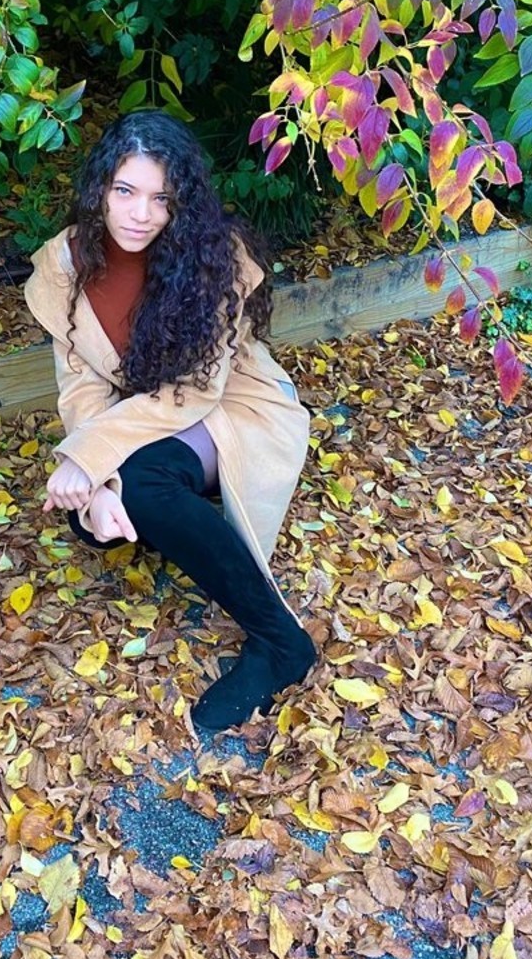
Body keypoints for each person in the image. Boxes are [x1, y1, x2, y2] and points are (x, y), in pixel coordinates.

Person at [23, 111, 317, 732]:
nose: (140, 214)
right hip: (141, 413)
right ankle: (160, 510)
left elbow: (196, 391)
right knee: (98, 518)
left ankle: (280, 642)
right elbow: (81, 385)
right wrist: (97, 482)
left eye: (161, 198)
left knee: (146, 485)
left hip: (234, 404)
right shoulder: (66, 263)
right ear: (100, 189)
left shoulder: (213, 256)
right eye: (125, 191)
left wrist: (91, 461)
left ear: (181, 201)